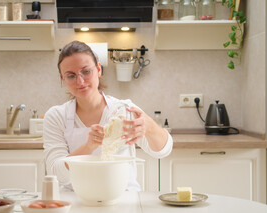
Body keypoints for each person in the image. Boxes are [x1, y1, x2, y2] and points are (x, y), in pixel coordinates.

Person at [43, 40, 173, 191]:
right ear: (62, 79)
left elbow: (163, 151)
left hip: (124, 199)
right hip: (77, 200)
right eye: (71, 76)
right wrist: (88, 146)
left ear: (98, 69)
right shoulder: (57, 116)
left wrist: (149, 127)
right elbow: (56, 173)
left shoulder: (123, 110)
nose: (80, 81)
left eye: (86, 71)